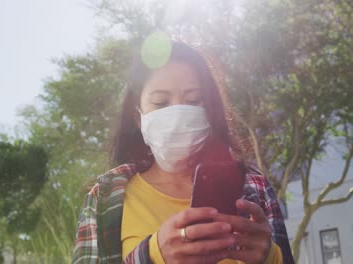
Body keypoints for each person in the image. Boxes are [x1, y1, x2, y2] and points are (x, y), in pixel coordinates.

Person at [72, 35, 295, 264]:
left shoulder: (255, 187)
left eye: (193, 100)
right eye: (160, 103)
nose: (177, 115)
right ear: (138, 117)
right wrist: (152, 256)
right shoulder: (106, 198)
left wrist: (271, 257)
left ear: (210, 110)